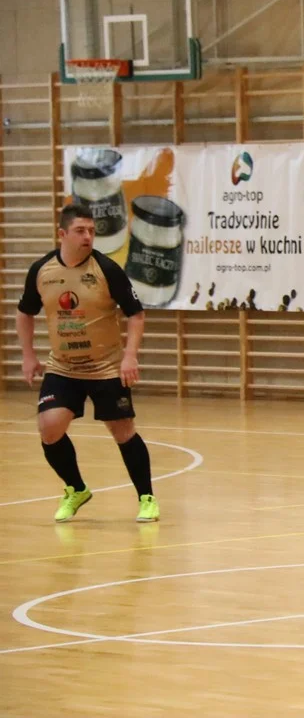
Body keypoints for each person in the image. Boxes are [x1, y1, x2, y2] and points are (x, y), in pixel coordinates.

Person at [16, 203, 159, 523]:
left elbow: (135, 314)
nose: (88, 237)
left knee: (122, 430)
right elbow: (25, 312)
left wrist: (129, 356)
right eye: (81, 231)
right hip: (63, 367)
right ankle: (76, 488)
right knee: (49, 428)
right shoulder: (42, 271)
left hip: (105, 366)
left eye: (92, 231)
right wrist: (28, 355)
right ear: (62, 234)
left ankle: (146, 497)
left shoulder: (106, 270)